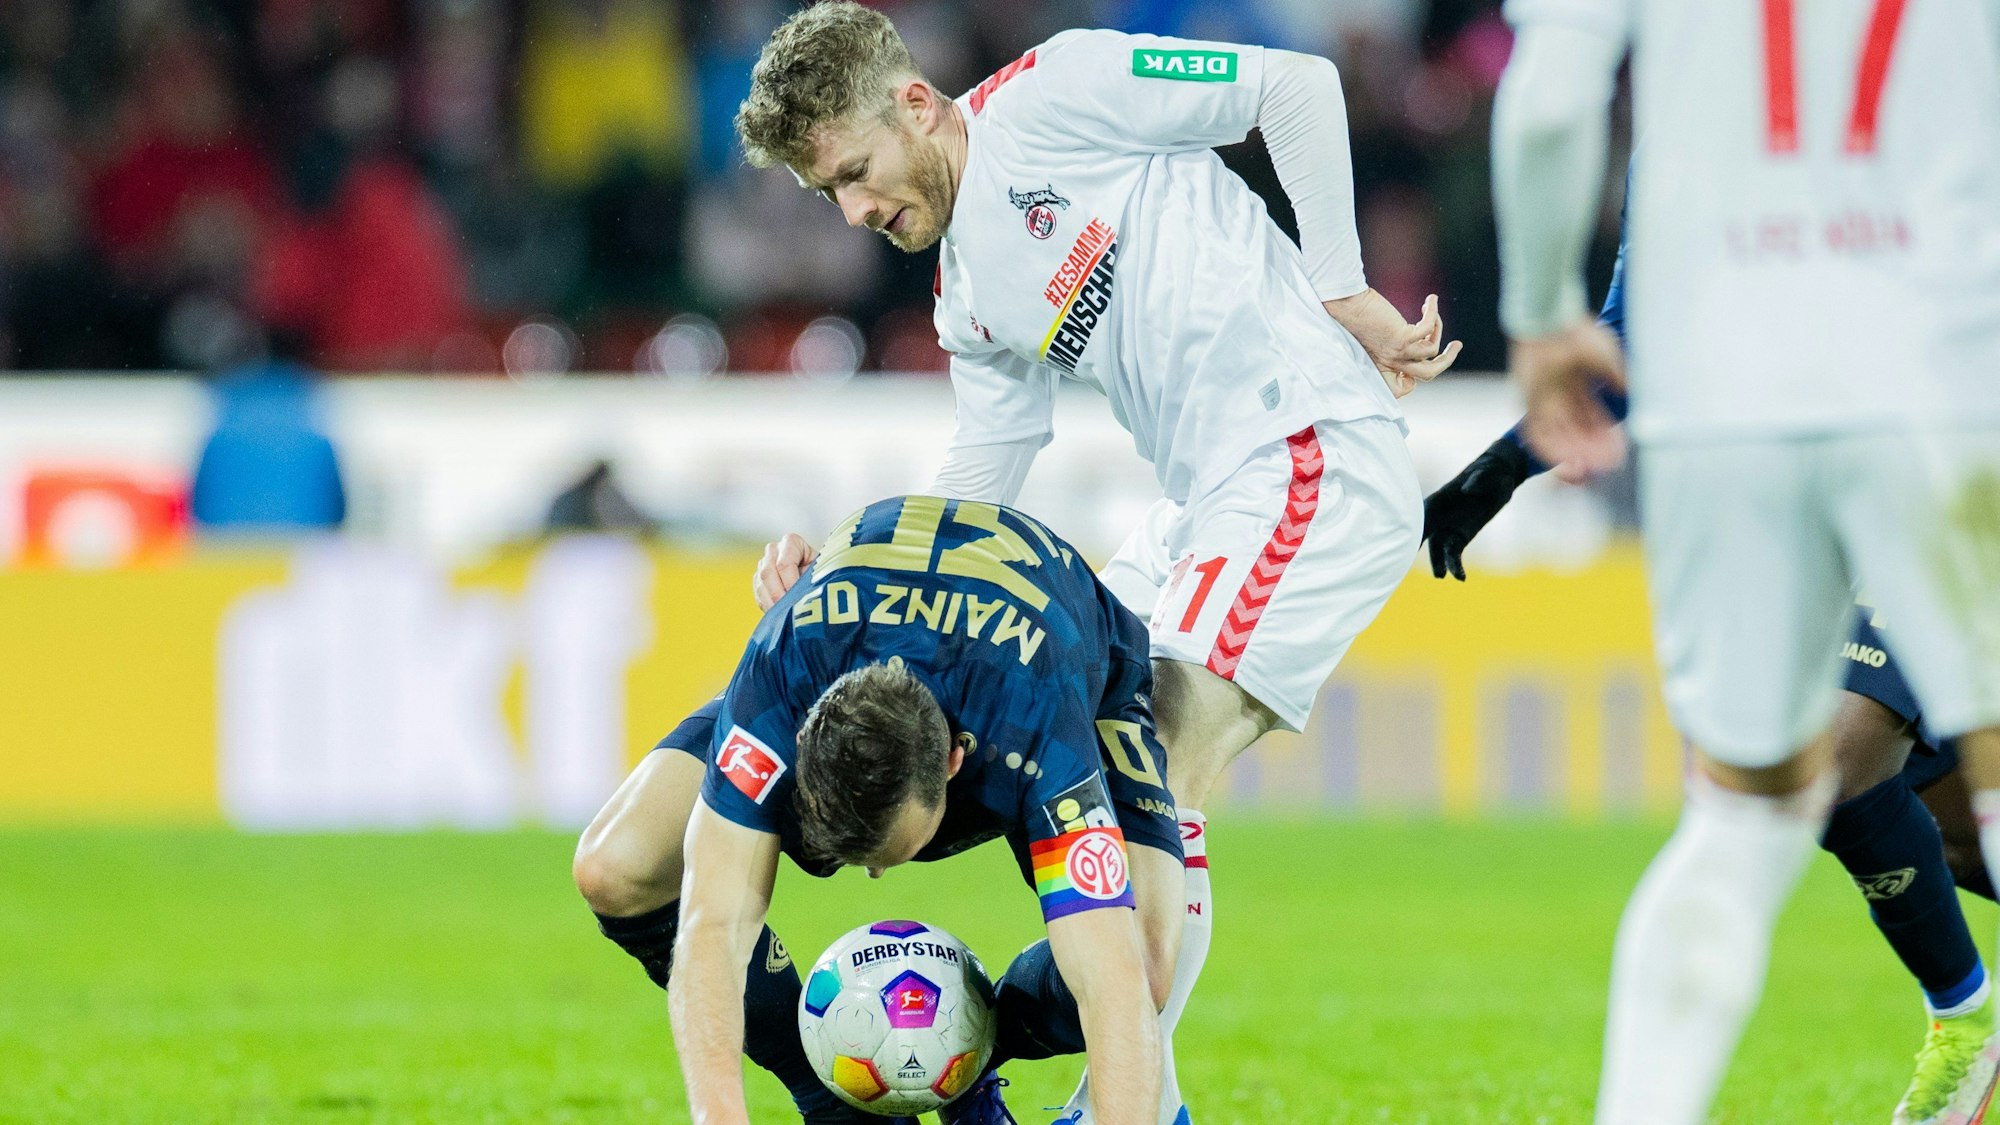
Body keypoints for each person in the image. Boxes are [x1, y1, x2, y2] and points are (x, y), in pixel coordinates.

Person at [734, 7, 1460, 1116]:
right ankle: (1122, 1083)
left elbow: (1296, 87)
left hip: (1301, 450)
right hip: (1205, 501)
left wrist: (1337, 290)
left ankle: (1122, 1098)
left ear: (915, 106)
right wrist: (848, 567)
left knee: (1156, 767)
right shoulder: (967, 287)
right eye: (828, 193)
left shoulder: (1058, 90)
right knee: (1082, 726)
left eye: (857, 171)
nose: (856, 211)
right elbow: (989, 461)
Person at [1489, 1, 2000, 1121]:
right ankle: (1968, 1012)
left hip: (1730, 392)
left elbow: (1548, 103)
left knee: (1737, 816)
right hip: (1945, 367)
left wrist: (1535, 317)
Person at [572, 495, 1185, 1125]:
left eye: (893, 852)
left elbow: (1112, 985)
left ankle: (966, 1056)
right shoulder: (781, 677)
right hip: (840, 641)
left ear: (955, 762)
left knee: (1146, 962)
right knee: (616, 866)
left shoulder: (1038, 728)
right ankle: (830, 1094)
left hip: (1071, 669)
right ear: (802, 744)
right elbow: (713, 928)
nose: (875, 877)